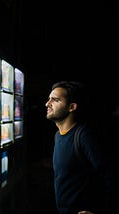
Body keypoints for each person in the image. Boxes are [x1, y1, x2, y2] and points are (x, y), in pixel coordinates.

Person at [45, 81, 114, 214]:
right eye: (49, 99)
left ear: (71, 107)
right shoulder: (58, 135)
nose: (47, 104)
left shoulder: (84, 136)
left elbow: (111, 176)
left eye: (55, 100)